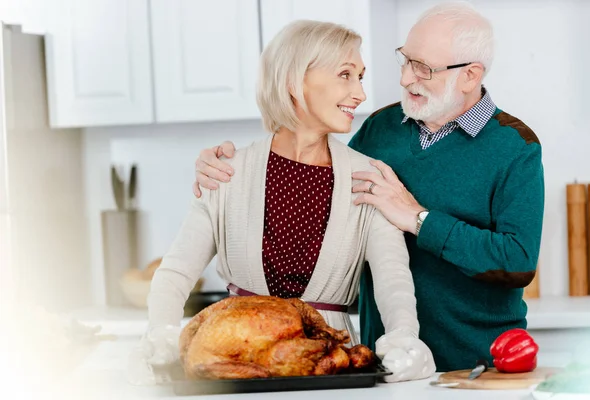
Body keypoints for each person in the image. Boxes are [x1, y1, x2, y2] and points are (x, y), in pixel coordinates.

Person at [192, 2, 545, 372]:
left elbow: (517, 260)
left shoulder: (514, 146)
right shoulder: (381, 128)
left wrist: (419, 219)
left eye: (423, 68)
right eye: (405, 60)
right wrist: (227, 168)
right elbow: (317, 183)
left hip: (478, 365)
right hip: (385, 362)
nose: (406, 79)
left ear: (470, 75)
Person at [127, 20, 436, 386]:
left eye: (361, 77)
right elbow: (176, 272)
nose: (360, 93)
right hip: (234, 361)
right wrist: (161, 331)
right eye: (345, 75)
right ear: (294, 80)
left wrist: (403, 335)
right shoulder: (227, 172)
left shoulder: (369, 178)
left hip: (330, 371)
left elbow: (393, 279)